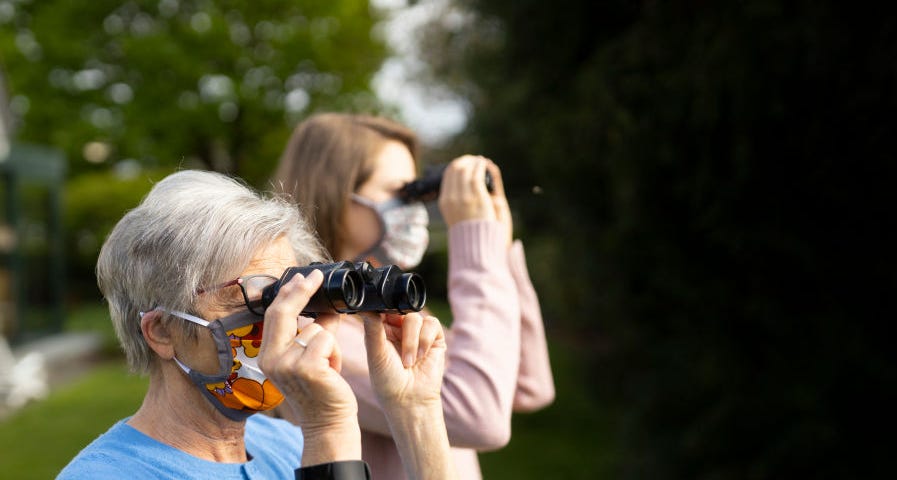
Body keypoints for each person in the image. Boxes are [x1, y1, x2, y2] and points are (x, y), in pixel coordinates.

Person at [57, 170, 456, 480]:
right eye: (255, 295)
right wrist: (329, 430)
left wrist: (415, 410)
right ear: (161, 331)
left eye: (293, 295)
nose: (286, 316)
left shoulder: (285, 443)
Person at [270, 113, 556, 480]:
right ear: (337, 196)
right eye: (399, 193)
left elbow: (529, 386)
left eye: (416, 193)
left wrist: (496, 251)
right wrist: (475, 247)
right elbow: (482, 416)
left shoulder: (375, 316)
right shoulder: (313, 332)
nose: (415, 209)